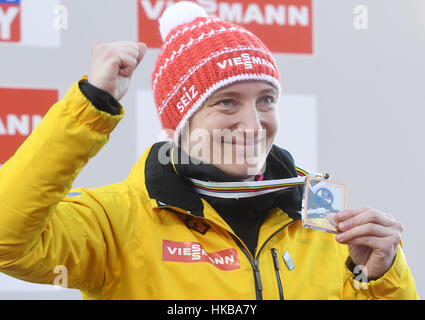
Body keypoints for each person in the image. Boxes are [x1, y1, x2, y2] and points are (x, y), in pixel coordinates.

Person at [0, 2, 418, 300]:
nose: (254, 125)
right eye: (227, 102)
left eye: (266, 99)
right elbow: (6, 240)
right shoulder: (117, 220)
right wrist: (91, 107)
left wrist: (376, 279)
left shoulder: (319, 220)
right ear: (182, 122)